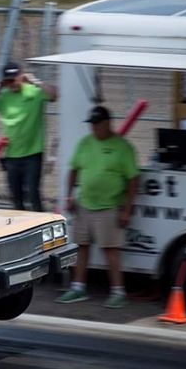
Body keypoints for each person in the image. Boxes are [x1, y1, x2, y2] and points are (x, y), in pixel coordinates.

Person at [56, 105, 140, 309]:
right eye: (91, 125)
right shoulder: (85, 143)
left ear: (107, 123)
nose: (93, 129)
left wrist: (127, 209)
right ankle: (78, 287)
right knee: (81, 245)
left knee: (110, 249)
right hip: (85, 204)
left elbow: (134, 179)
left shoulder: (123, 147)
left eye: (97, 125)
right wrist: (69, 195)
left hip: (109, 206)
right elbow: (74, 170)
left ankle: (118, 291)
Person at [0, 61, 58, 212]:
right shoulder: (3, 96)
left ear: (21, 77)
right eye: (8, 80)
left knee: (33, 194)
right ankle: (21, 229)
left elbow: (55, 94)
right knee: (16, 197)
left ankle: (39, 226)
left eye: (15, 78)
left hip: (32, 153)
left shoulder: (33, 91)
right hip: (11, 155)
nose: (12, 83)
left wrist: (35, 81)